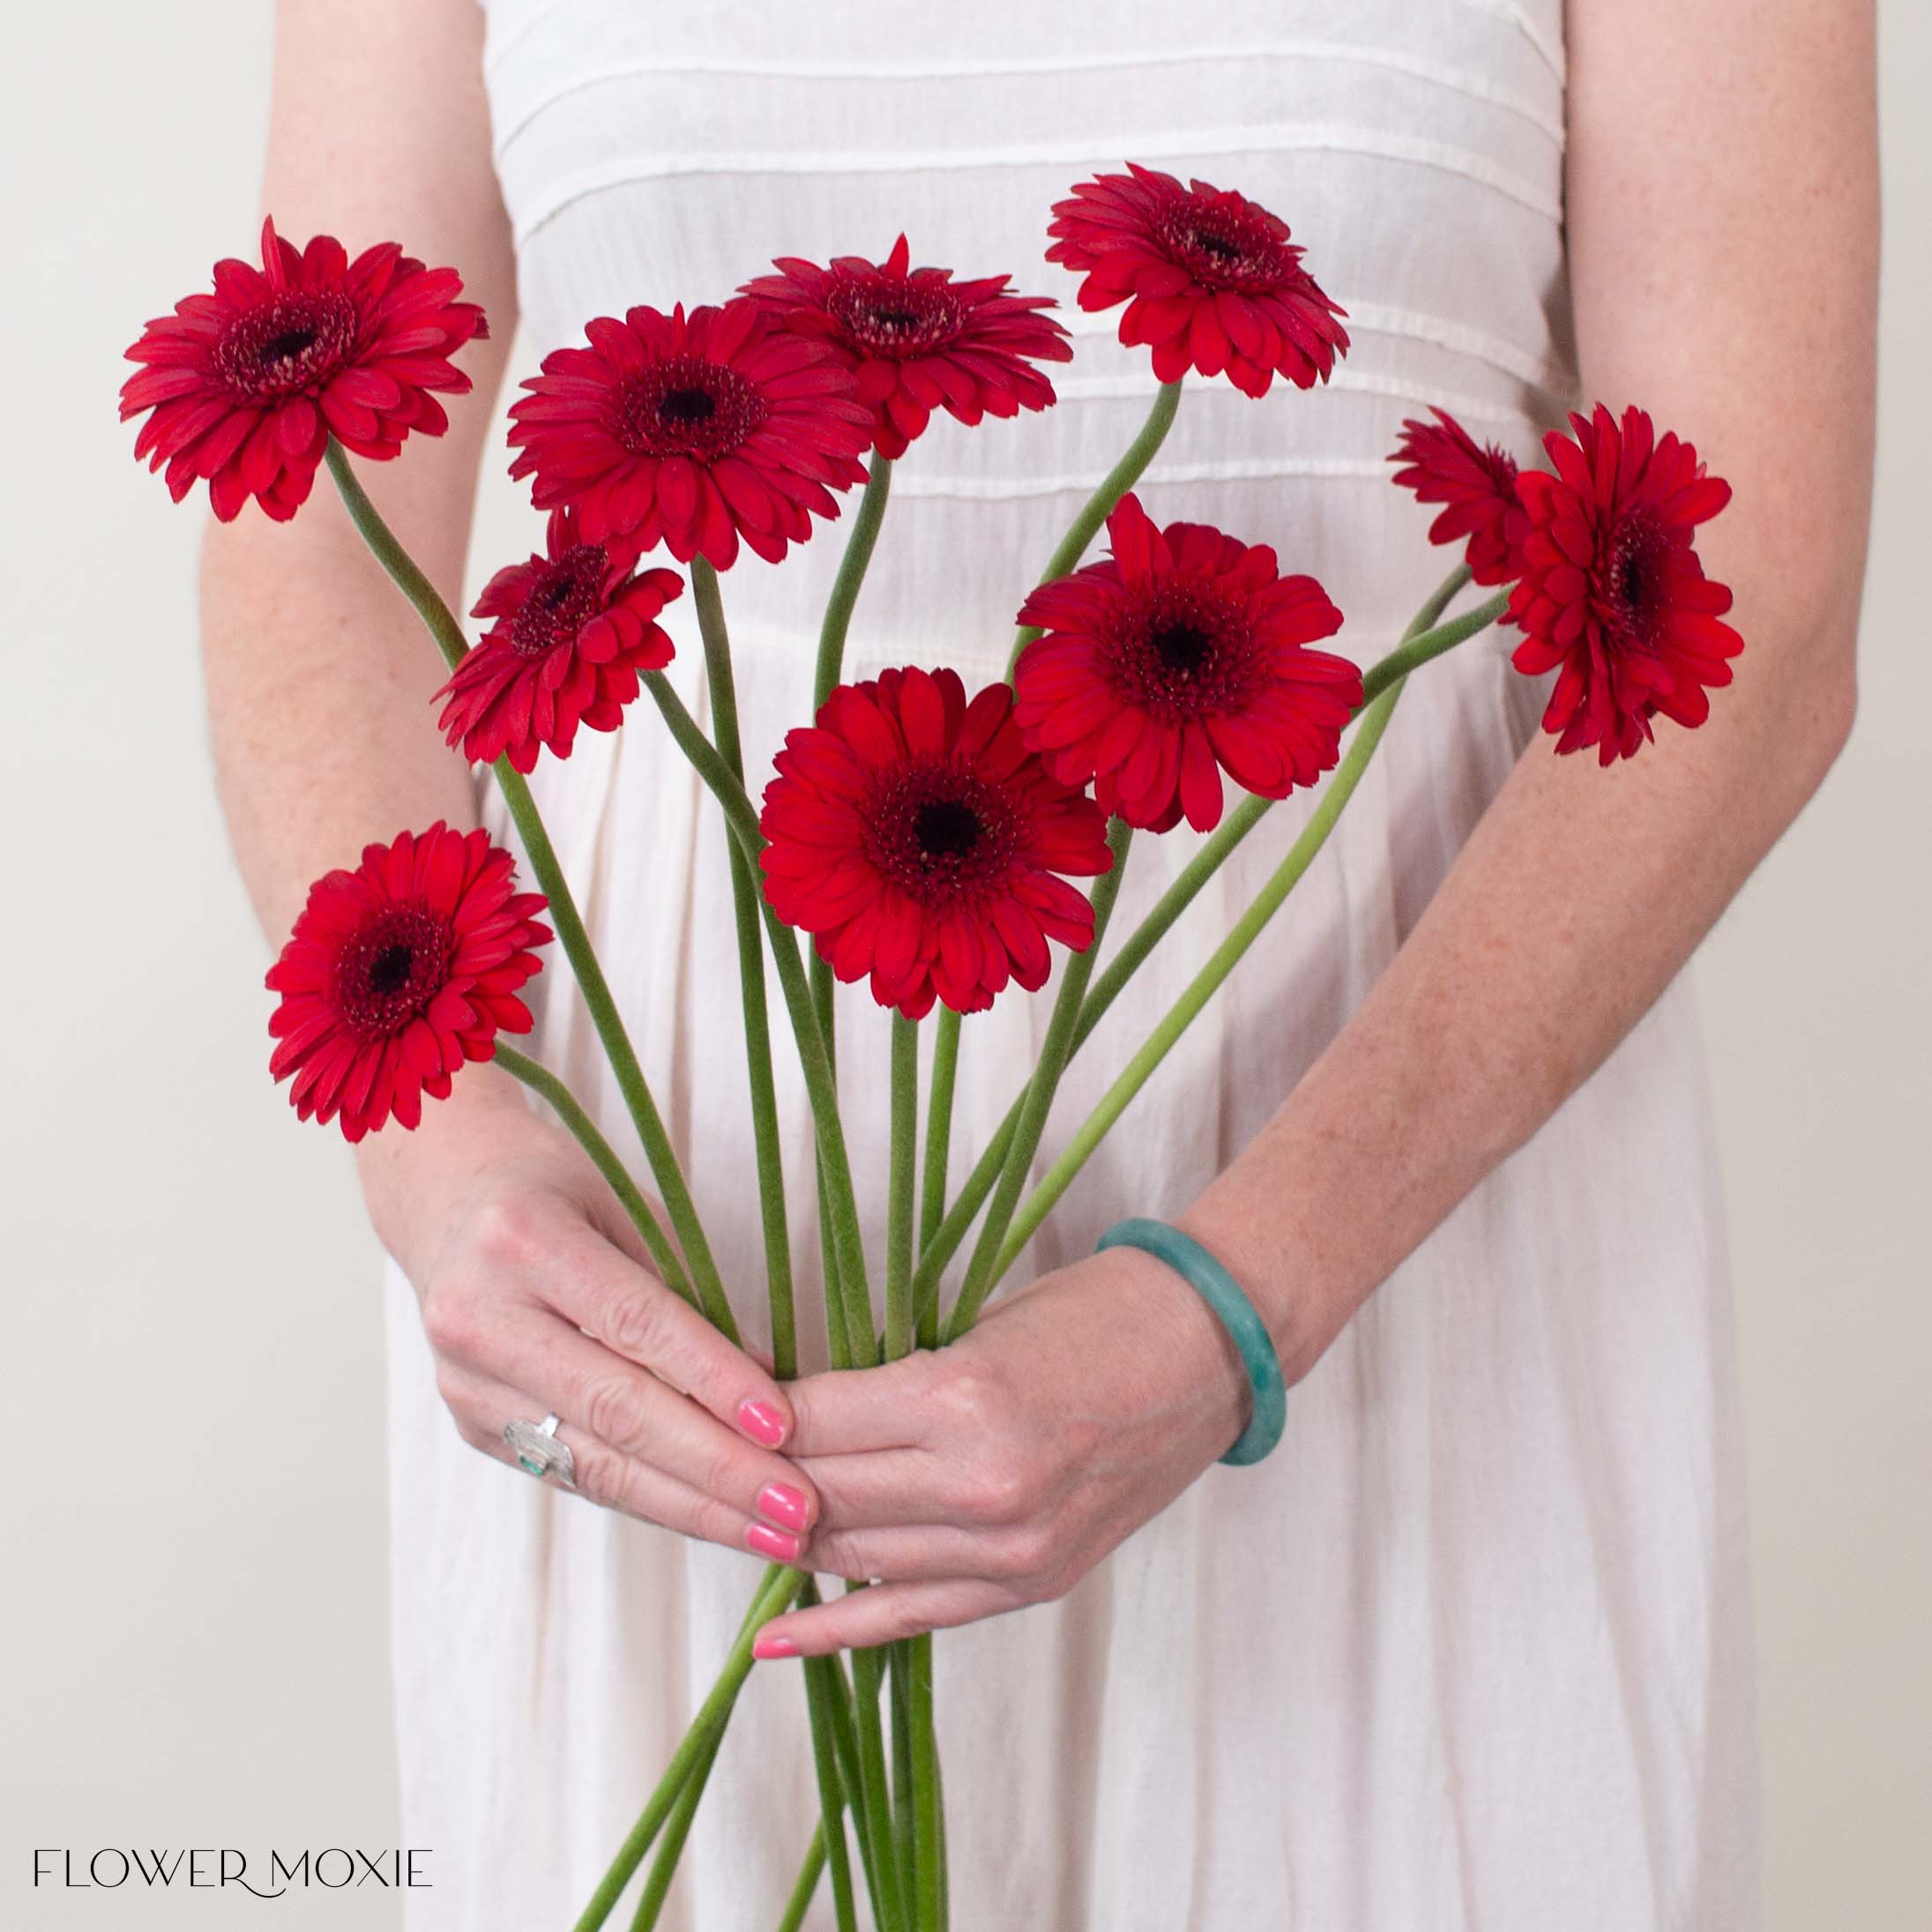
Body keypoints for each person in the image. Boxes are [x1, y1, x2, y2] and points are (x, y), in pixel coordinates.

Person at [205, 0, 1875, 1924]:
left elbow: (1748, 606)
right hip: (672, 1262)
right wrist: (441, 1155)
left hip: (1388, 1224)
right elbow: (317, 515)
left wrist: (1239, 1299)